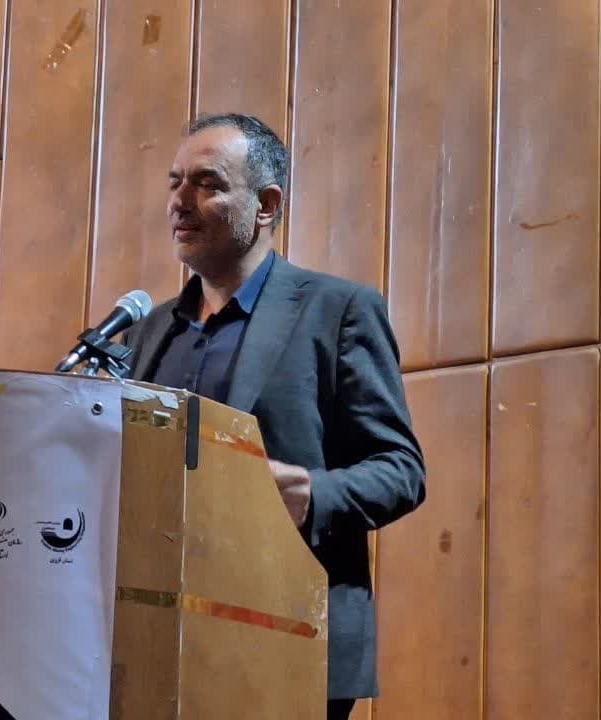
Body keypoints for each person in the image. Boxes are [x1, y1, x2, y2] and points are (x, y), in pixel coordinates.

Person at [123, 113, 427, 719]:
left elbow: (401, 470)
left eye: (207, 184)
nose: (179, 202)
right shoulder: (149, 332)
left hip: (288, 634)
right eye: (175, 182)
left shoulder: (337, 311)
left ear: (266, 205)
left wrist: (310, 493)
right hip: (159, 639)